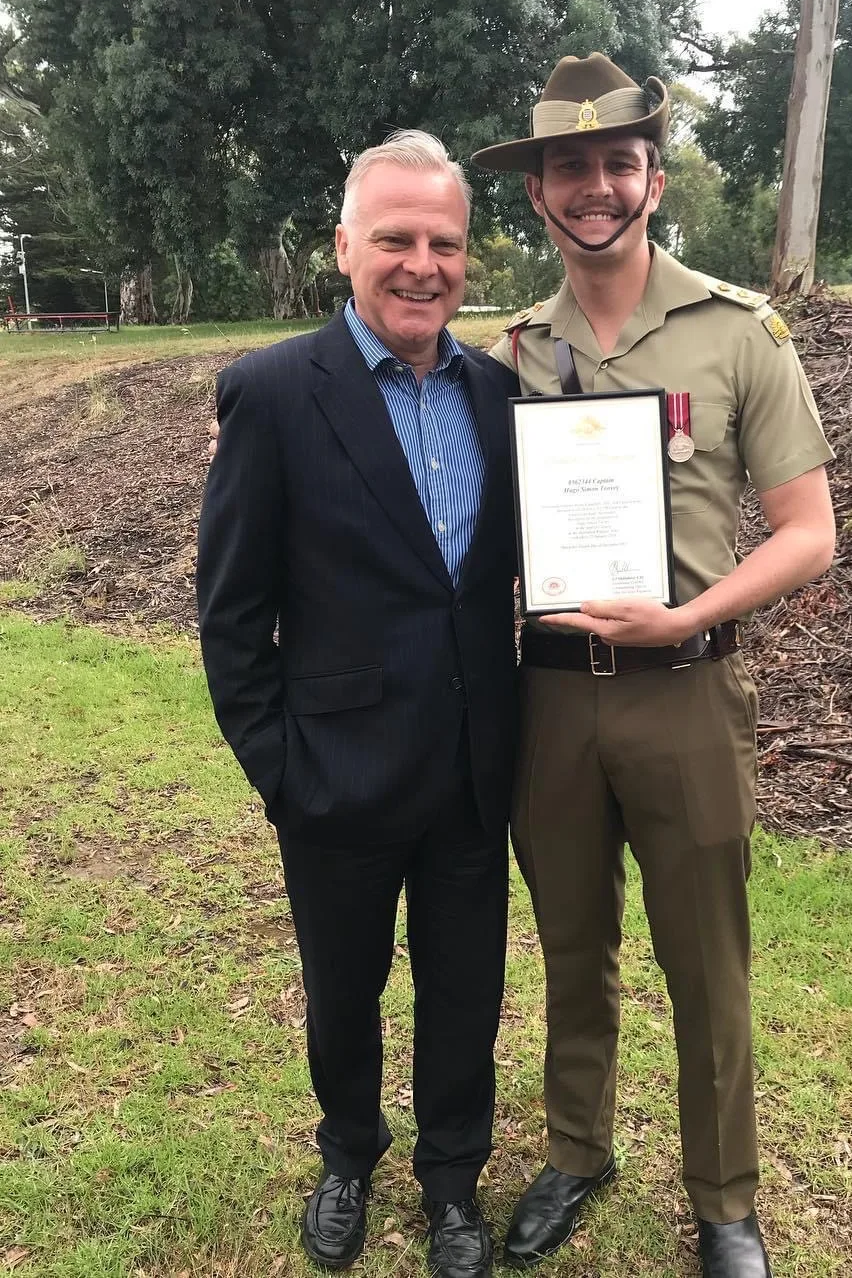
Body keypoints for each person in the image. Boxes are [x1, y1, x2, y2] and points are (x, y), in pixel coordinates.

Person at [471, 54, 836, 1278]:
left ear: (655, 182)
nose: (595, 186)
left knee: (705, 963)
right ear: (538, 194)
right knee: (573, 948)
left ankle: (725, 1201)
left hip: (688, 696)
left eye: (617, 164)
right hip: (551, 698)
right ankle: (577, 1152)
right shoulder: (509, 355)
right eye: (567, 167)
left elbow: (809, 532)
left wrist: (691, 619)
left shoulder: (739, 334)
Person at [196, 131, 520, 1276]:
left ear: (466, 256)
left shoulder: (502, 395)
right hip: (334, 776)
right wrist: (280, 769)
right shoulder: (276, 392)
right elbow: (233, 614)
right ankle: (347, 1153)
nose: (422, 264)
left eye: (445, 242)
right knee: (344, 988)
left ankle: (453, 1183)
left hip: (474, 770)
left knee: (465, 992)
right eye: (396, 238)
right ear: (345, 247)